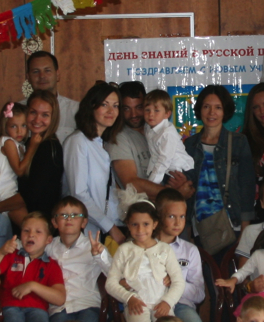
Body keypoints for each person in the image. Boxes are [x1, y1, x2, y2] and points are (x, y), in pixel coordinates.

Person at [106, 201, 186, 322]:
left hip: (162, 304)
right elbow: (111, 283)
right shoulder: (125, 250)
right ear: (128, 225)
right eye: (134, 224)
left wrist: (167, 302)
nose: (140, 229)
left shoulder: (164, 250)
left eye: (146, 224)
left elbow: (178, 281)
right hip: (137, 304)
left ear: (155, 224)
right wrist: (129, 298)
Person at [184, 85, 258, 251]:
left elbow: (247, 187)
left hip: (231, 224)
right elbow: (187, 191)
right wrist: (187, 227)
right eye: (206, 107)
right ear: (199, 109)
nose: (212, 113)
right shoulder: (190, 144)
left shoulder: (239, 142)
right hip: (200, 227)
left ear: (225, 111)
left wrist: (245, 229)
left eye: (218, 107)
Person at [46, 197, 110, 322]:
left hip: (87, 304)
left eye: (75, 215)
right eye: (63, 215)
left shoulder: (93, 245)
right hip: (59, 306)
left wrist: (99, 256)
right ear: (54, 222)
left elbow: (113, 273)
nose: (69, 219)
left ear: (84, 222)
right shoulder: (49, 247)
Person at [153, 190, 211, 322]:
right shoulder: (145, 246)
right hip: (152, 304)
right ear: (159, 217)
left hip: (181, 306)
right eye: (171, 216)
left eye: (182, 217)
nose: (178, 222)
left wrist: (177, 284)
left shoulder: (190, 250)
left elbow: (200, 293)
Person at [65, 82, 125, 243]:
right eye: (104, 105)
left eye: (116, 106)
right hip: (86, 231)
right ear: (91, 107)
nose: (111, 111)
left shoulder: (103, 143)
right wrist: (111, 228)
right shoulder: (78, 141)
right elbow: (79, 194)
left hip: (106, 228)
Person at [107, 82, 185, 203]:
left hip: (167, 211)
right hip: (140, 215)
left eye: (139, 107)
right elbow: (131, 183)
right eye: (126, 109)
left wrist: (182, 183)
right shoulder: (118, 138)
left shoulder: (157, 131)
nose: (133, 114)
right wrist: (175, 194)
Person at [18, 90, 66, 222]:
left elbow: (30, 195)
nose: (37, 120)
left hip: (39, 227)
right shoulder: (29, 143)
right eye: (33, 112)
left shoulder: (49, 147)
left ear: (53, 118)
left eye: (45, 115)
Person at [0, 102, 32, 225]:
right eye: (13, 126)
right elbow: (19, 169)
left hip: (9, 193)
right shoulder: (7, 142)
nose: (19, 131)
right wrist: (34, 146)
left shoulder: (19, 145)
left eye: (23, 125)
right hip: (3, 194)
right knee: (30, 226)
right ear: (5, 126)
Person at [25, 51, 81, 142]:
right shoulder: (18, 111)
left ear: (57, 74)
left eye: (47, 70)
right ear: (28, 77)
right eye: (36, 71)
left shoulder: (76, 110)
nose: (42, 76)